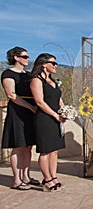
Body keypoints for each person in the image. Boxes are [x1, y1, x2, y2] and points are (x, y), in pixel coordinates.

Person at [1, 46, 39, 190]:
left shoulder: (28, 75)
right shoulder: (8, 73)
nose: (27, 59)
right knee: (18, 146)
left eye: (27, 57)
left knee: (28, 146)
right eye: (24, 56)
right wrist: (30, 107)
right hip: (18, 111)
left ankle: (26, 176)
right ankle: (17, 180)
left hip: (31, 112)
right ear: (16, 58)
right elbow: (12, 95)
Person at [30, 53, 66, 192]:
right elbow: (39, 102)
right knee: (45, 151)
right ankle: (47, 179)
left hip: (57, 118)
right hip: (44, 119)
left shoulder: (53, 81)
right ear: (44, 64)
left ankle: (53, 177)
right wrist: (54, 115)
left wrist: (65, 112)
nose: (56, 66)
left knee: (54, 150)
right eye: (53, 63)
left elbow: (59, 99)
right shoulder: (36, 81)